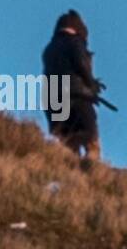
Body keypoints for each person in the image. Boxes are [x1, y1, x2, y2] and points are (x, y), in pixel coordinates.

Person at [41, 9, 103, 160]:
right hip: (77, 97)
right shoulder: (75, 42)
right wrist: (91, 84)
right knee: (91, 140)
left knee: (66, 144)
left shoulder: (49, 49)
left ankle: (68, 173)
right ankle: (93, 172)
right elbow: (81, 63)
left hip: (52, 100)